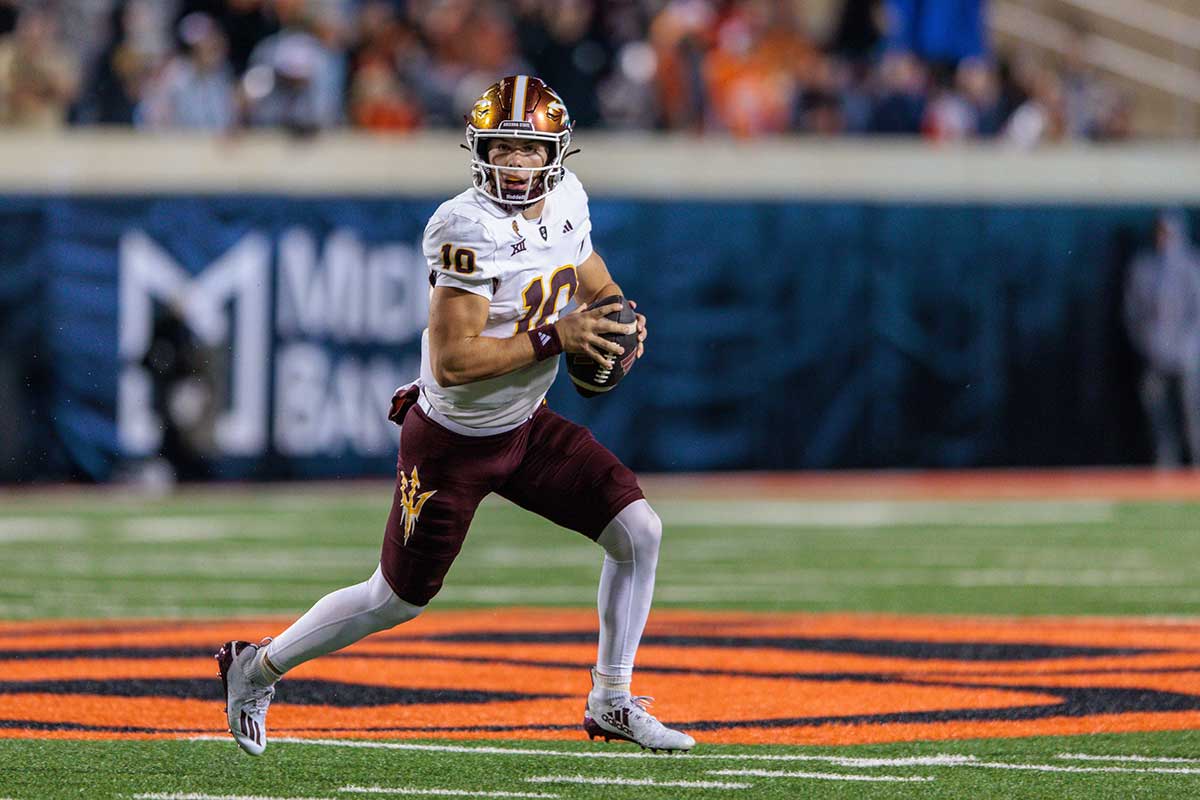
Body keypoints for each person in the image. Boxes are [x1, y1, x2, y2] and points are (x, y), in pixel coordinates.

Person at [216, 75, 695, 755]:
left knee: (639, 530)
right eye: (503, 148)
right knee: (396, 600)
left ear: (556, 154)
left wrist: (618, 322)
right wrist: (560, 336)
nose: (515, 164)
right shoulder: (463, 226)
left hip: (525, 424)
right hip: (451, 441)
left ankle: (610, 700)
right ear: (480, 150)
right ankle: (254, 667)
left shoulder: (567, 201)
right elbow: (454, 361)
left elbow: (591, 274)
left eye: (530, 151)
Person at [1124, 210, 1200, 467]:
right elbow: (1133, 313)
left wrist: (1186, 346)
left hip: (1186, 357)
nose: (1163, 237)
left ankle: (1195, 469)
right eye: (1160, 232)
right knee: (1158, 418)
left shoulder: (1192, 266)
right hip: (1154, 356)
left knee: (1191, 415)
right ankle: (1164, 470)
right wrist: (1148, 343)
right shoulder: (1143, 268)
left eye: (1168, 232)